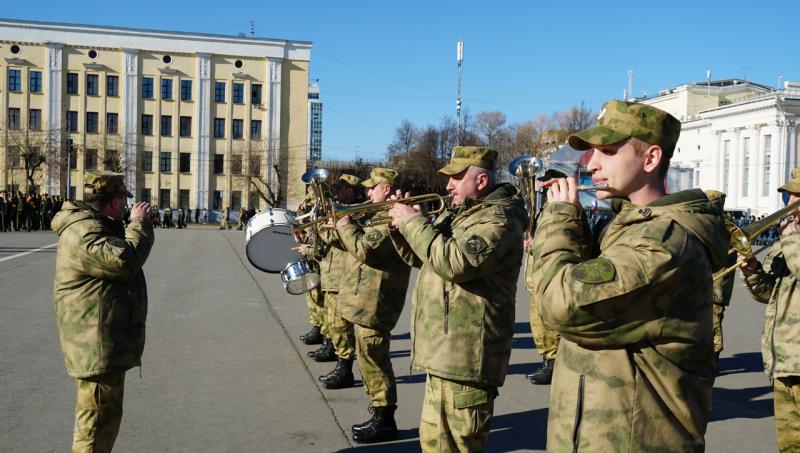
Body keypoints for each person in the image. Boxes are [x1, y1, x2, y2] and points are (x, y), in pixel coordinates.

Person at [527, 100, 728, 451]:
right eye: (590, 152)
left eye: (606, 151)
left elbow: (559, 305)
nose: (590, 164)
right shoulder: (628, 229)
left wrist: (558, 220)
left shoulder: (663, 244)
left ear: (650, 159)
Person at [388, 146, 526, 452]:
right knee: (435, 445)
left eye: (456, 178)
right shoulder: (463, 213)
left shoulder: (498, 220)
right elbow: (427, 258)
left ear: (480, 182)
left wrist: (414, 223)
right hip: (446, 354)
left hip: (467, 359)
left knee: (458, 446)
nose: (448, 185)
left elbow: (454, 262)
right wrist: (401, 229)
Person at [51, 170, 154, 453]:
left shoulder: (96, 225)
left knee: (102, 422)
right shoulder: (85, 232)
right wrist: (138, 223)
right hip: (94, 348)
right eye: (123, 200)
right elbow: (125, 261)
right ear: (115, 202)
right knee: (94, 429)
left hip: (100, 344)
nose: (127, 206)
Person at [335, 168, 411, 443]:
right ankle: (379, 410)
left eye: (372, 188)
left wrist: (344, 225)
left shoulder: (391, 218)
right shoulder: (378, 215)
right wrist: (338, 229)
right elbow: (351, 245)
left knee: (374, 359)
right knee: (369, 359)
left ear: (387, 189)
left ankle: (385, 417)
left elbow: (366, 249)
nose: (367, 193)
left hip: (377, 302)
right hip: (365, 299)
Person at [739, 167, 800, 451]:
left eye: (797, 197)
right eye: (790, 195)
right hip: (784, 364)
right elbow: (769, 293)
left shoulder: (791, 240)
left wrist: (790, 237)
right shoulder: (787, 242)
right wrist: (752, 272)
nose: (789, 204)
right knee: (789, 446)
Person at [312, 174, 364, 380]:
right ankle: (340, 361)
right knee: (333, 323)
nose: (336, 192)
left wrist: (321, 226)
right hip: (331, 274)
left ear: (351, 190)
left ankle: (345, 368)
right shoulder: (340, 210)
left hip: (344, 276)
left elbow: (341, 240)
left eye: (341, 188)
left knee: (342, 326)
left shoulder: (358, 213)